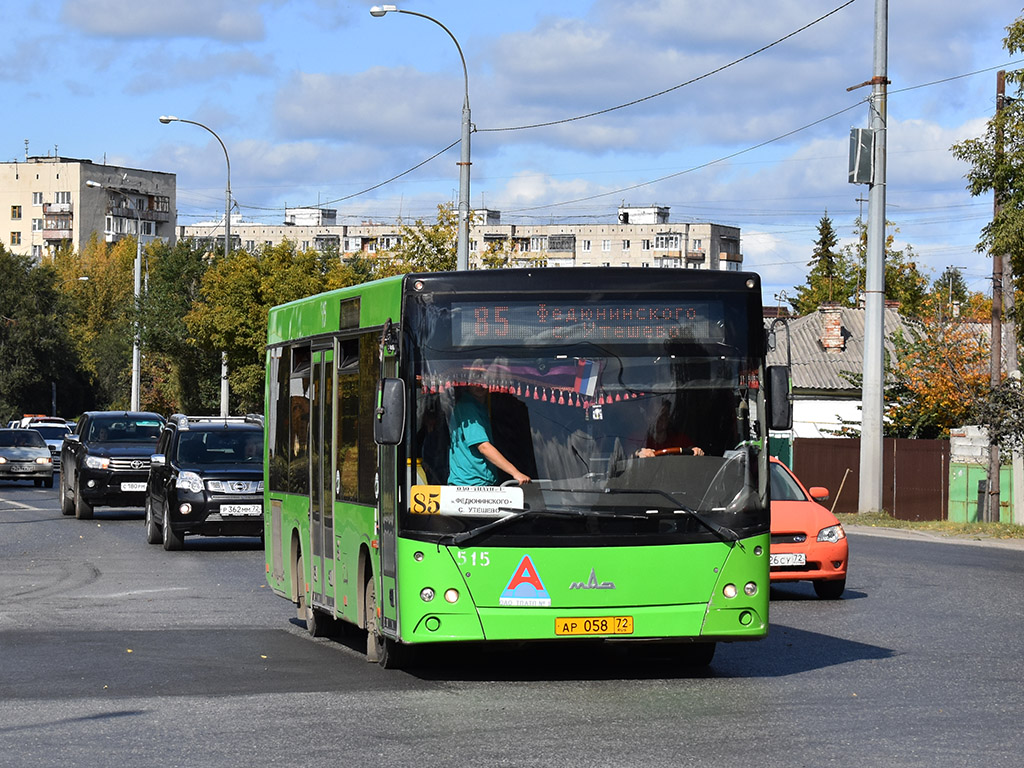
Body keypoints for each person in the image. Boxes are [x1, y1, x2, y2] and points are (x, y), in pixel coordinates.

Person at [448, 375, 530, 486]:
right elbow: (484, 447)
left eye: (484, 378)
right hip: (469, 485)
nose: (480, 384)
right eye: (475, 378)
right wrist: (515, 473)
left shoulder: (481, 406)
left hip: (478, 483)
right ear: (467, 382)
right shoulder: (467, 406)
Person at [636, 399, 704, 458]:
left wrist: (696, 451)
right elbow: (629, 456)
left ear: (668, 418)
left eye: (663, 415)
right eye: (655, 415)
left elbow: (692, 451)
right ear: (647, 417)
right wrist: (638, 453)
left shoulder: (681, 439)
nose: (659, 419)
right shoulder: (637, 439)